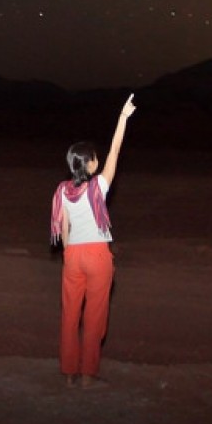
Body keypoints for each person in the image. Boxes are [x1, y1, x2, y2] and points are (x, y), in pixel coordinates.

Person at [50, 92, 136, 388]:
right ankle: (88, 376)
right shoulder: (99, 185)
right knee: (95, 316)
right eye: (94, 159)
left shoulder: (62, 190)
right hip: (98, 255)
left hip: (73, 255)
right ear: (87, 164)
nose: (99, 161)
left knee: (70, 315)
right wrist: (122, 119)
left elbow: (64, 229)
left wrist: (69, 256)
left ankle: (68, 374)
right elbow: (116, 150)